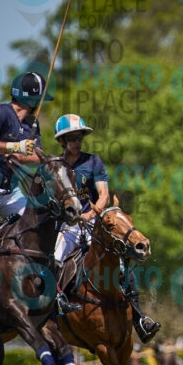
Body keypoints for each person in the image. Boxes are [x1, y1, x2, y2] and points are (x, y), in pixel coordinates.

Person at [0, 72, 78, 315]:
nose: (41, 105)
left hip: (9, 190)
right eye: (40, 100)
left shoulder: (32, 124)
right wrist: (12, 146)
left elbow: (36, 156)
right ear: (30, 98)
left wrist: (25, 154)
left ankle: (55, 292)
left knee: (37, 229)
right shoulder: (0, 113)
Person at [52, 113, 161, 342]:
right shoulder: (55, 166)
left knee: (121, 262)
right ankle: (53, 308)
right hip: (67, 226)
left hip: (93, 222)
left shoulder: (94, 162)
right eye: (72, 138)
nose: (77, 142)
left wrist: (91, 214)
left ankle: (139, 319)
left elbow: (103, 195)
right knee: (55, 259)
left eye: (79, 137)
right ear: (62, 141)